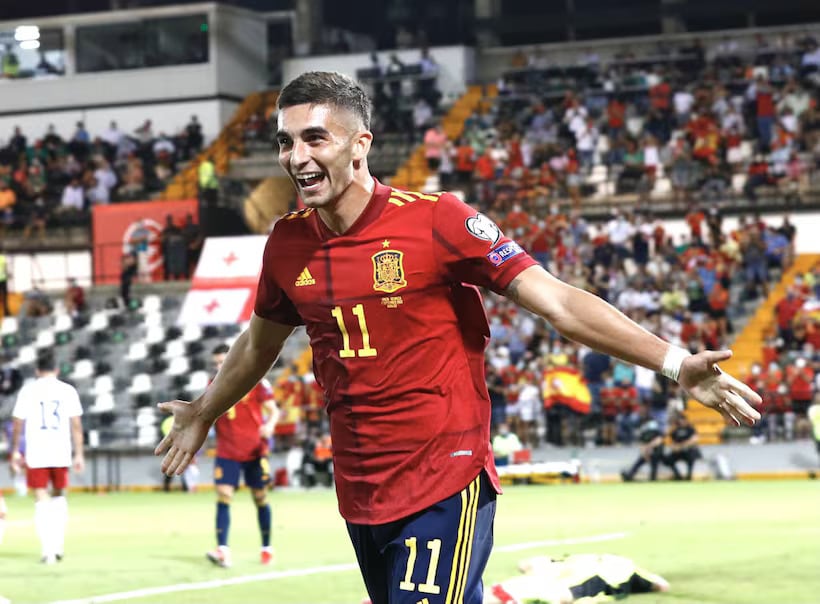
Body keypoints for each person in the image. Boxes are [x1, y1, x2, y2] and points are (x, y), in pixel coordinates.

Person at [156, 71, 760, 604]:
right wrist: (205, 410)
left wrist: (677, 363)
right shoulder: (287, 243)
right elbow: (259, 345)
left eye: (316, 138)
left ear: (360, 144)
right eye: (285, 142)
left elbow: (558, 302)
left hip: (444, 477)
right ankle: (571, 583)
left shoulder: (438, 219)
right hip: (360, 489)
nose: (296, 156)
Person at [204, 344, 279, 568]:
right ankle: (222, 550)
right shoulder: (212, 385)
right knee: (224, 495)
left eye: (222, 361)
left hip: (255, 450)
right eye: (216, 363)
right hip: (227, 451)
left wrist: (270, 426)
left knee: (260, 498)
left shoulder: (255, 379)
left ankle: (266, 547)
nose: (219, 366)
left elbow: (273, 410)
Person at [10, 352, 84, 564]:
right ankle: (58, 545)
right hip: (61, 451)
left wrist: (16, 449)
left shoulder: (28, 391)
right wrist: (79, 454)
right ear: (57, 369)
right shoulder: (68, 390)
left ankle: (47, 551)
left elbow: (17, 423)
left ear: (37, 371)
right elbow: (76, 426)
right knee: (59, 496)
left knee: (41, 498)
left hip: (37, 452)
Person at [484, 553, 669, 604]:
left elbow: (525, 564)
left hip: (563, 576)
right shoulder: (627, 568)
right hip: (590, 579)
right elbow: (661, 585)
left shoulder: (575, 559)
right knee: (562, 595)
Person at [620, 411, 665, 482]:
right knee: (639, 462)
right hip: (647, 452)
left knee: (654, 463)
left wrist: (648, 447)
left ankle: (653, 478)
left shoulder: (656, 431)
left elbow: (658, 440)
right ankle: (629, 475)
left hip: (657, 453)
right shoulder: (644, 433)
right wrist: (645, 452)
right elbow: (642, 444)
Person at [663, 413, 702, 480]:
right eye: (680, 420)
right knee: (668, 459)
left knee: (691, 457)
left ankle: (689, 476)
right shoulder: (676, 430)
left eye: (682, 420)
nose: (681, 422)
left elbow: (694, 439)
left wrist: (681, 446)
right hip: (679, 452)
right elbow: (672, 441)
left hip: (689, 450)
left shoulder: (690, 429)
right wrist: (674, 447)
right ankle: (678, 475)